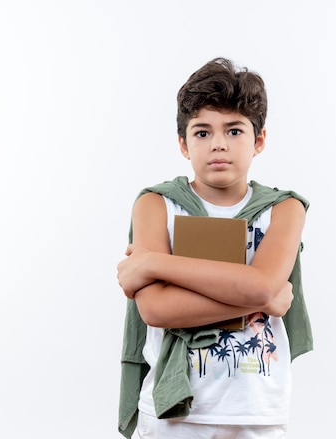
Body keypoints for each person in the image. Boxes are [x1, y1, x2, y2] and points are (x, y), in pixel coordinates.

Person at [117, 57, 313, 439]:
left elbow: (260, 286)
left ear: (259, 140)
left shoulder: (284, 209)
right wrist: (263, 299)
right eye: (202, 132)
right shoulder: (156, 205)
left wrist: (155, 263)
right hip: (174, 412)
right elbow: (157, 309)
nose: (219, 144)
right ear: (183, 144)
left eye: (235, 131)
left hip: (256, 410)